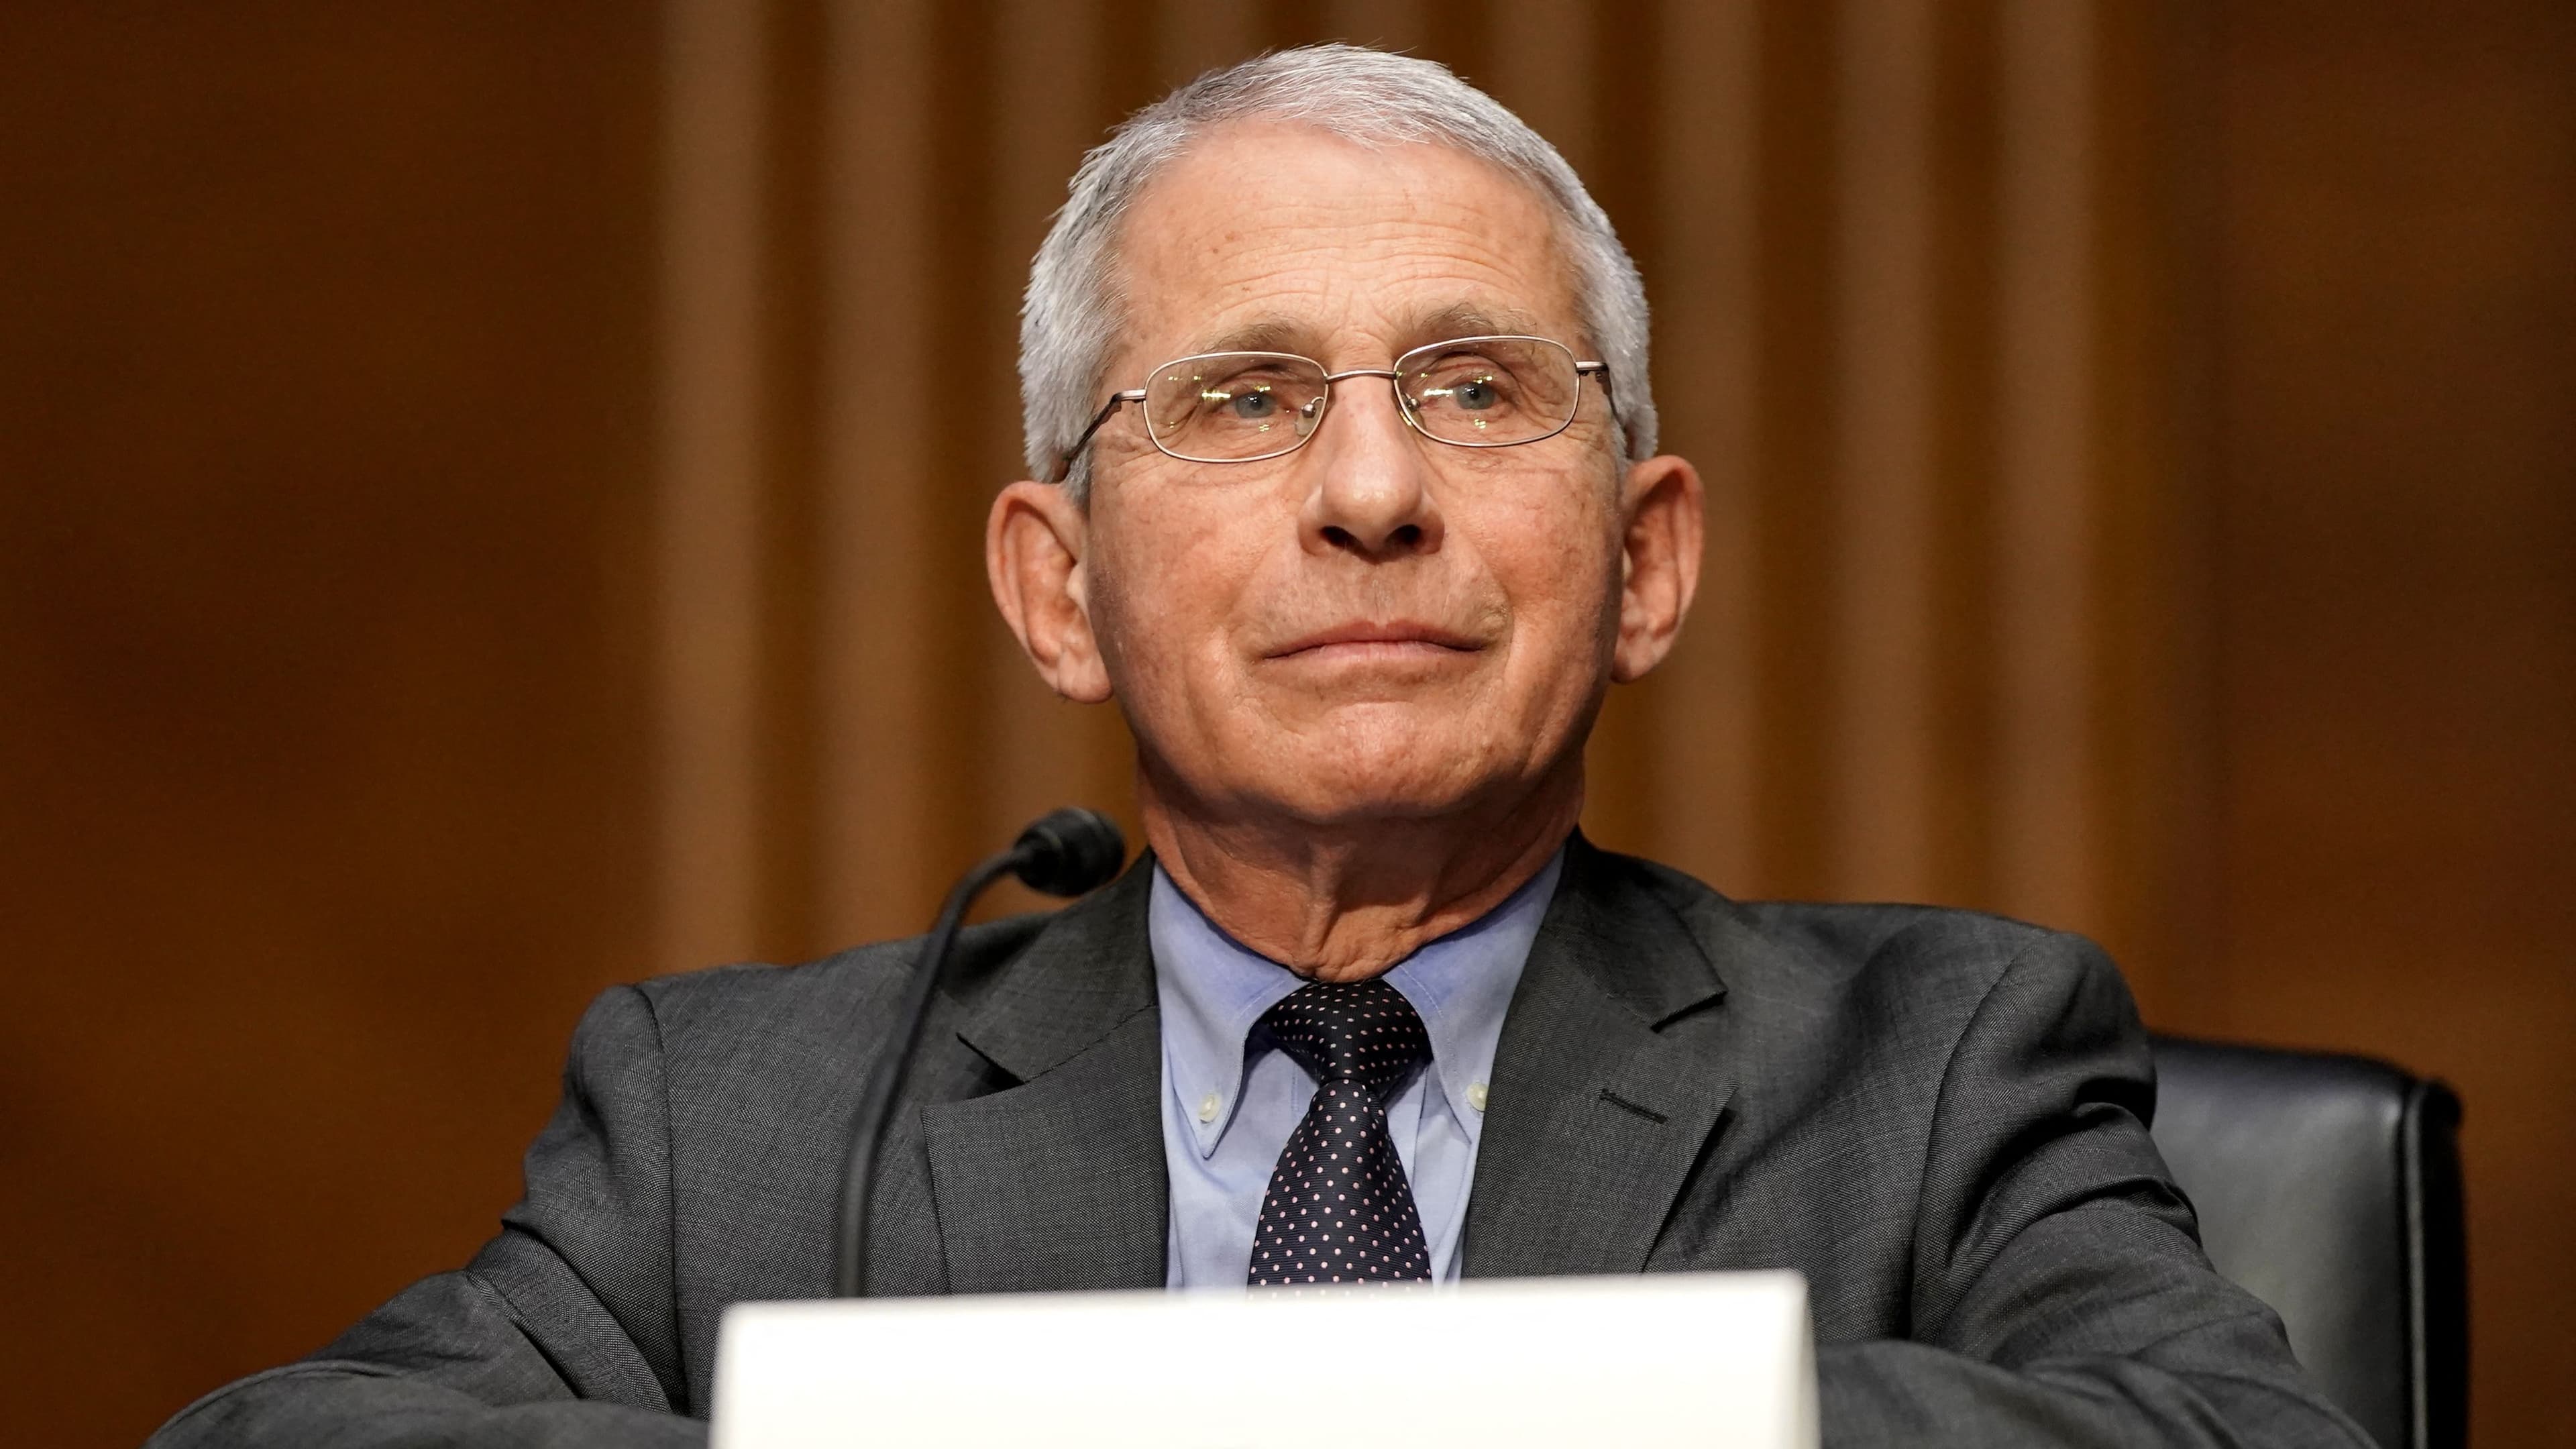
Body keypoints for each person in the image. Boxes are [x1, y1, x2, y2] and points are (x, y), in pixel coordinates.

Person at [150, 44, 2368, 1449]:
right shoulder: (740, 1119)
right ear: (1057, 588)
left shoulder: (1943, 1060)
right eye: (1243, 399)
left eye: (1481, 388)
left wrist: (1508, 1424)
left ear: (1646, 561)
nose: (1374, 491)